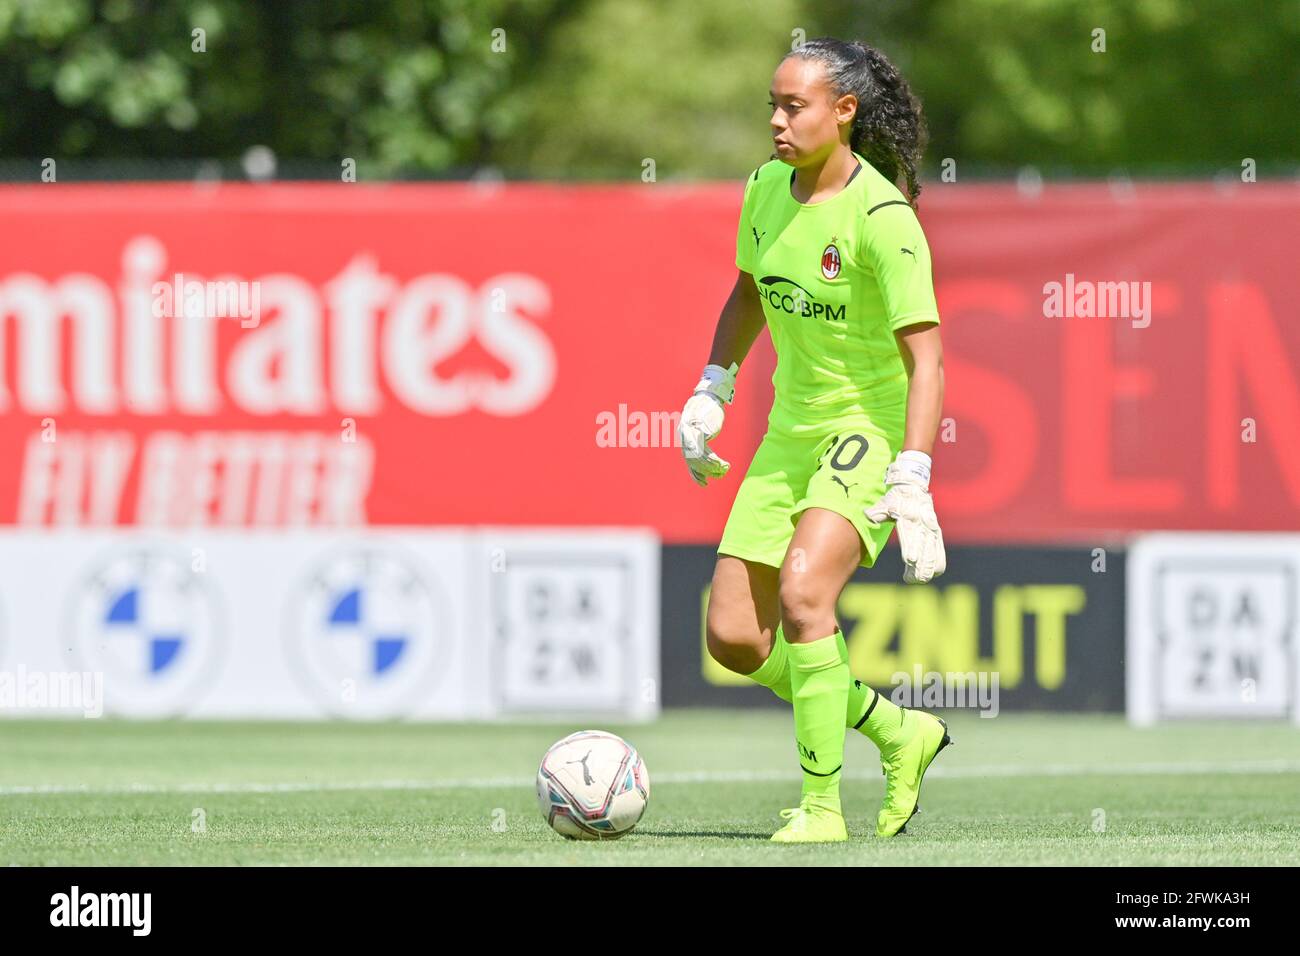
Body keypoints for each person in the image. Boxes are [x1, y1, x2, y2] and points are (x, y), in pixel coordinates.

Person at [678, 37, 952, 843]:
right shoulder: (765, 188)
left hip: (864, 430)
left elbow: (926, 356)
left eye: (793, 106)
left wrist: (914, 471)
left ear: (843, 113)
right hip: (786, 432)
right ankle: (899, 731)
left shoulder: (882, 218)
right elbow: (749, 292)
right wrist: (712, 385)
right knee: (731, 635)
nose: (776, 121)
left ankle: (823, 809)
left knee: (804, 599)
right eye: (773, 103)